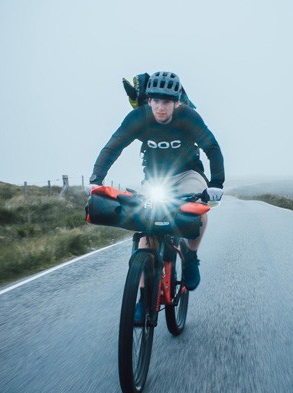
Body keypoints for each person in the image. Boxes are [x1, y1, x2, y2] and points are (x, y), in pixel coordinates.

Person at [87, 70, 225, 301]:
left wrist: (216, 184)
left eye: (167, 102)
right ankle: (141, 295)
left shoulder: (188, 117)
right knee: (146, 229)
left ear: (177, 102)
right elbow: (114, 146)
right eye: (156, 101)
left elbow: (212, 148)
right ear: (148, 100)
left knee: (198, 211)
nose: (161, 107)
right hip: (155, 178)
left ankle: (191, 256)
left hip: (187, 173)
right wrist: (95, 180)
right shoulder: (138, 118)